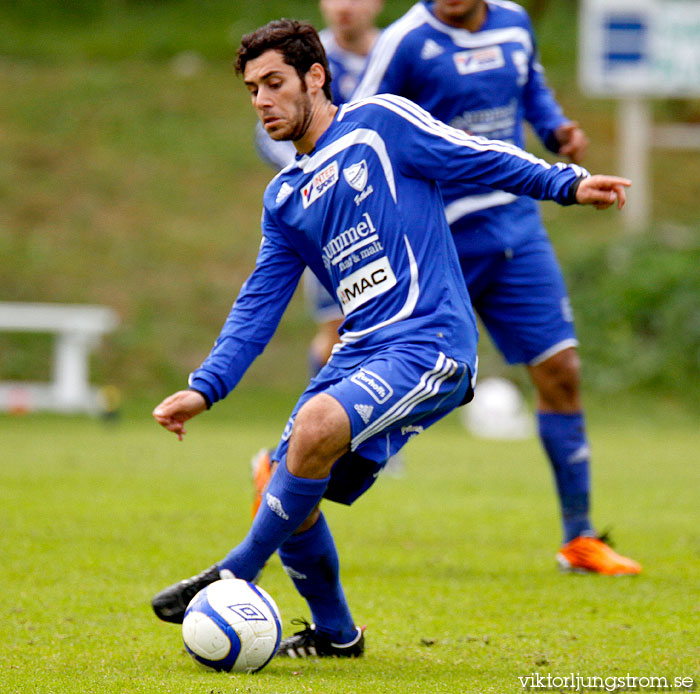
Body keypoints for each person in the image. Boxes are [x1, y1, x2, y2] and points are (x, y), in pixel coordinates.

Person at [150, 18, 630, 659]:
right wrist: (205, 388)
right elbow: (258, 303)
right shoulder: (284, 196)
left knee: (315, 429)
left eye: (274, 83)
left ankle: (235, 570)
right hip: (361, 351)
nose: (263, 100)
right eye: (252, 90)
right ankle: (336, 635)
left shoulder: (381, 123)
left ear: (314, 77)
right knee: (290, 476)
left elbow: (478, 154)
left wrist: (566, 183)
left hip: (430, 342)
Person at [352, 0, 641, 576]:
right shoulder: (407, 40)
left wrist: (556, 126)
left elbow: (530, 86)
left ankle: (579, 539)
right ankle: (289, 467)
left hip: (516, 228)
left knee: (561, 370)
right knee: (405, 386)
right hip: (437, 239)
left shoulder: (514, 22)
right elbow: (359, 129)